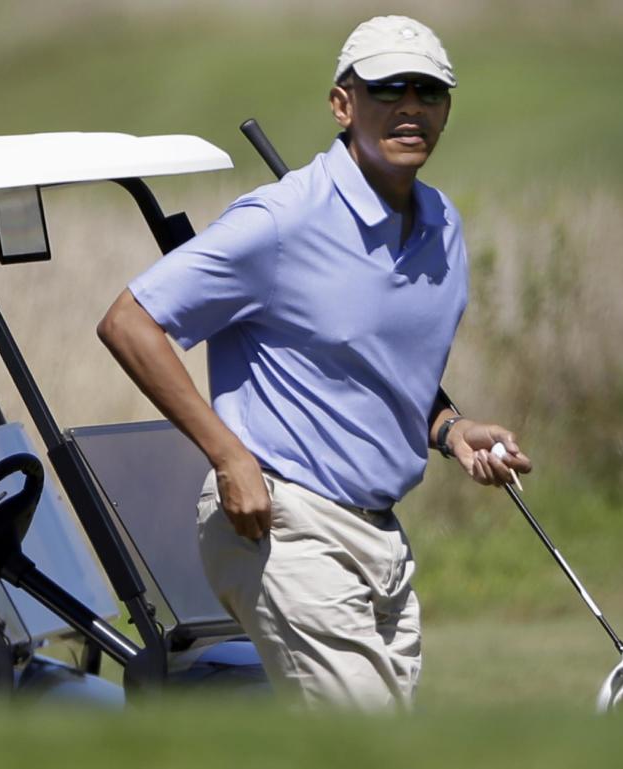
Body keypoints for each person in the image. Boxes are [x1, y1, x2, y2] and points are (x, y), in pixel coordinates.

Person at [98, 15, 531, 709]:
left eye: (429, 91)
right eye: (389, 88)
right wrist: (229, 455)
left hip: (382, 535)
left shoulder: (442, 226)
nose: (411, 106)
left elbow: (371, 368)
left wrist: (452, 430)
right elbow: (131, 321)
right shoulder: (280, 220)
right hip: (282, 522)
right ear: (343, 104)